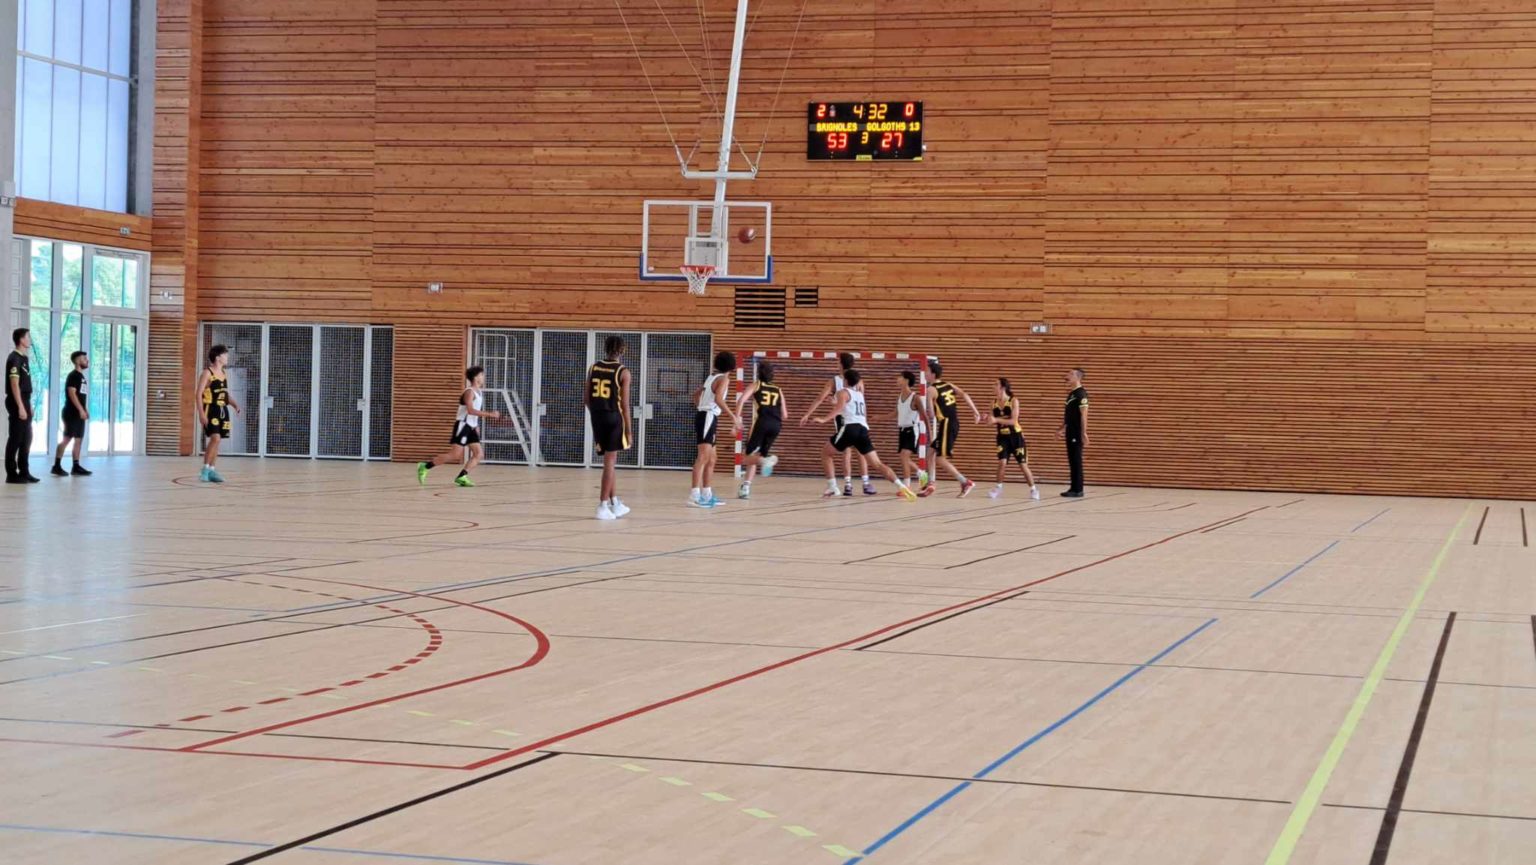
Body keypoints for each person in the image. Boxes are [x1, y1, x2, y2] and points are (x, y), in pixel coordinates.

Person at [814, 369, 916, 501]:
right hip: (863, 429)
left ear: (846, 380)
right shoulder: (859, 395)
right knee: (877, 463)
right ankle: (902, 486)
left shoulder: (842, 392)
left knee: (826, 453)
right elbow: (848, 407)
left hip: (850, 428)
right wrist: (837, 403)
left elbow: (839, 409)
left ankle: (833, 487)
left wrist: (823, 419)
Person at [800, 352, 874, 496]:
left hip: (843, 419)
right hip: (859, 419)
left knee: (846, 450)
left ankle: (848, 484)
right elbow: (861, 401)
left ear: (840, 363)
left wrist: (807, 414)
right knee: (860, 451)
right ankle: (865, 483)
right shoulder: (859, 380)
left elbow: (820, 398)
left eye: (837, 361)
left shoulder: (834, 381)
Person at [417, 365, 500, 488]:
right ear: (475, 377)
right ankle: (425, 466)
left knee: (478, 454)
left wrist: (476, 425)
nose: (483, 377)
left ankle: (462, 477)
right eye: (481, 375)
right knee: (455, 455)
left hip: (471, 427)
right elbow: (470, 410)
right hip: (463, 425)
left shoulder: (479, 392)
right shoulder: (469, 392)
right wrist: (490, 414)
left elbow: (473, 413)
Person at [586, 336, 633, 521]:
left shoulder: (593, 368)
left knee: (608, 463)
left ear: (605, 348)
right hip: (614, 417)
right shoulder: (623, 372)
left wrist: (597, 414)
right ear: (622, 350)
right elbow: (625, 405)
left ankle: (614, 502)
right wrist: (628, 430)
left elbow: (587, 399)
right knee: (610, 463)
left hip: (597, 416)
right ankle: (603, 505)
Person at [923, 359, 982, 498]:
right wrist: (976, 412)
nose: (925, 374)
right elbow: (965, 394)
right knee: (930, 453)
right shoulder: (948, 384)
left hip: (947, 424)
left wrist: (923, 409)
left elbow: (931, 414)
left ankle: (965, 482)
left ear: (933, 374)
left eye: (927, 371)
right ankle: (931, 483)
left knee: (939, 459)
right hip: (952, 423)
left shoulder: (931, 390)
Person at [690, 351, 740, 508]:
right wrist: (733, 416)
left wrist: (700, 407)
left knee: (712, 458)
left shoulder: (712, 377)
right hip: (708, 416)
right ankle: (694, 496)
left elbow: (696, 394)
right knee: (703, 457)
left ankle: (707, 494)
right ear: (732, 366)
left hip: (707, 416)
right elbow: (718, 398)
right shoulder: (724, 379)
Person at [735, 361, 786, 500]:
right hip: (776, 425)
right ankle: (745, 488)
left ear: (759, 373)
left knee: (746, 458)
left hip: (761, 423)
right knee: (755, 456)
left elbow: (741, 400)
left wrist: (737, 419)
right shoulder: (778, 389)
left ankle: (765, 461)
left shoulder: (756, 385)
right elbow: (785, 415)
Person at [196, 344, 242, 484]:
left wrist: (235, 405)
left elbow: (224, 394)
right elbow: (198, 394)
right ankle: (205, 470)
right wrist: (201, 413)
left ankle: (212, 470)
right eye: (225, 355)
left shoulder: (224, 373)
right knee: (215, 438)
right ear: (217, 357)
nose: (227, 357)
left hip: (223, 410)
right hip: (211, 409)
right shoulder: (207, 373)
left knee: (218, 440)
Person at [989, 377, 1039, 500]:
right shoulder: (993, 403)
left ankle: (1033, 489)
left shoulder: (1013, 401)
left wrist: (996, 419)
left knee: (1023, 465)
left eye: (996, 384)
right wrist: (985, 419)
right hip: (1002, 437)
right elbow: (992, 420)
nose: (993, 386)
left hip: (1016, 437)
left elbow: (1013, 421)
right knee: (1002, 463)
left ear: (1002, 387)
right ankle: (998, 487)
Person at [5, 328, 37, 484]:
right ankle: (11, 474)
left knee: (27, 438)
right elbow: (14, 384)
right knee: (16, 438)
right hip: (16, 400)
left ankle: (24, 471)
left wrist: (28, 405)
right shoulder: (14, 358)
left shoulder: (24, 358)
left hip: (25, 400)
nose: (29, 340)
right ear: (21, 340)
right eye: (28, 337)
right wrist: (20, 406)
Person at [52, 351, 91, 477]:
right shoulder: (73, 376)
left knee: (78, 439)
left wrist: (85, 409)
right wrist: (80, 410)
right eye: (84, 358)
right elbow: (72, 393)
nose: (87, 360)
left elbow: (80, 396)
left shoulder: (81, 377)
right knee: (67, 439)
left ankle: (76, 466)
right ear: (77, 361)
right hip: (71, 413)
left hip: (79, 413)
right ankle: (56, 466)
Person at [1057, 367, 1090, 497]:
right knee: (1072, 459)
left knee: (1076, 460)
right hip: (1070, 431)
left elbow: (1084, 415)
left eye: (1070, 374)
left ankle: (1078, 489)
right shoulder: (1072, 394)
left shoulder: (1081, 394)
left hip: (1076, 432)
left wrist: (1083, 433)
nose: (1067, 375)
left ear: (1077, 377)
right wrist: (1062, 428)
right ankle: (1073, 487)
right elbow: (1069, 415)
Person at [895, 371, 927, 490]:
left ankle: (906, 487)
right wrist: (879, 417)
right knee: (904, 458)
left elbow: (924, 415)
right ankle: (921, 473)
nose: (897, 379)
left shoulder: (915, 397)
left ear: (906, 380)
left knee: (904, 456)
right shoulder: (900, 396)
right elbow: (896, 413)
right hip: (902, 430)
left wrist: (929, 434)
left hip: (912, 430)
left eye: (900, 377)